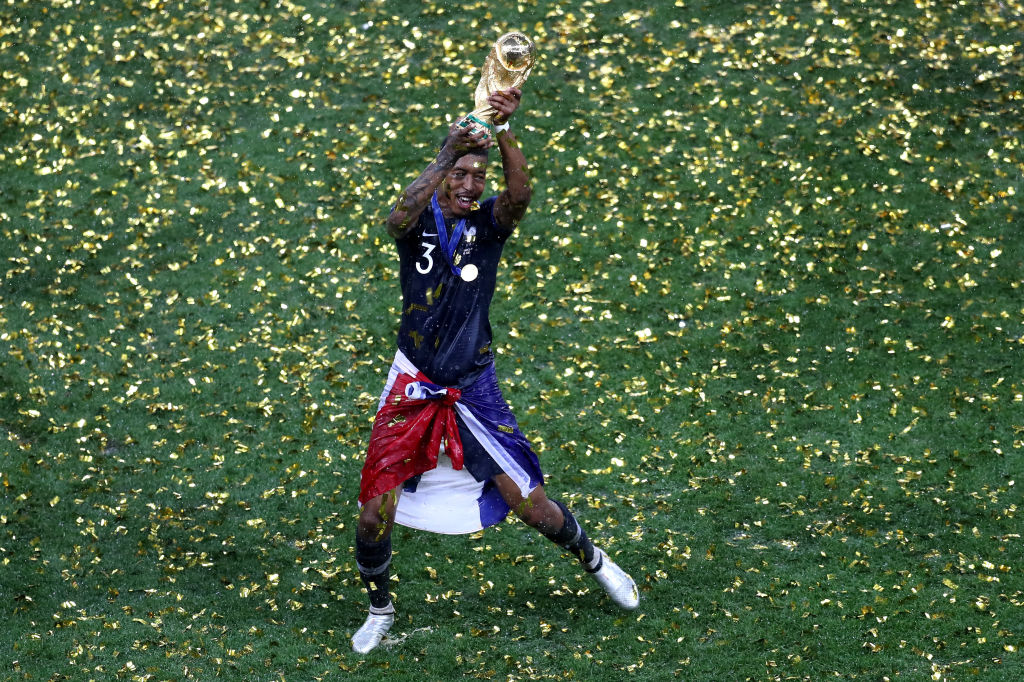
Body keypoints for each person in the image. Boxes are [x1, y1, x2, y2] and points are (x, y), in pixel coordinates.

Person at [351, 85, 639, 655]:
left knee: (529, 503)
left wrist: (503, 130)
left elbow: (521, 194)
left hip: (472, 385)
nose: (469, 185)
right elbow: (395, 217)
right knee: (373, 510)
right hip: (414, 381)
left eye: (476, 176)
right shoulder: (420, 223)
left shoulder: (488, 225)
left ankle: (595, 559)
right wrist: (443, 153)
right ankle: (379, 608)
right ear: (442, 175)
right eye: (460, 174)